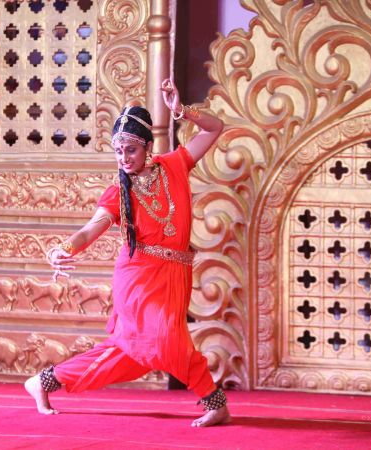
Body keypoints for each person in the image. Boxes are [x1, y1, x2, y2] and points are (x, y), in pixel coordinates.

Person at [25, 78, 230, 427]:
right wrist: (65, 247)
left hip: (175, 275)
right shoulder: (118, 192)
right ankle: (215, 402)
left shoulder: (174, 165)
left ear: (148, 147)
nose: (124, 158)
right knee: (166, 339)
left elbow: (214, 128)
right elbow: (91, 228)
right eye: (118, 152)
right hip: (138, 277)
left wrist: (182, 111)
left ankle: (45, 381)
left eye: (131, 150)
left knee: (131, 355)